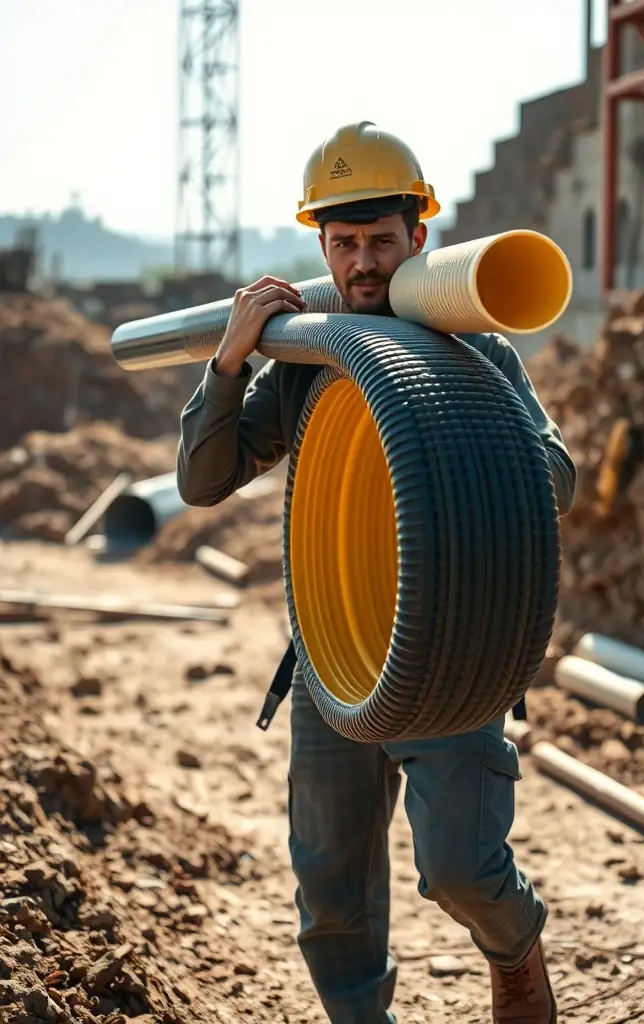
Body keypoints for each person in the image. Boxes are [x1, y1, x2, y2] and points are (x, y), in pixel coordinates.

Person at [177, 121, 576, 1024]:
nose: (362, 262)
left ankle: (517, 955)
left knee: (463, 870)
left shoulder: (478, 347)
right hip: (334, 645)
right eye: (344, 243)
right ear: (321, 245)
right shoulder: (306, 359)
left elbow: (557, 478)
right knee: (330, 890)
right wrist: (231, 361)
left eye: (381, 242)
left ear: (417, 240)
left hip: (452, 639)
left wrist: (453, 417)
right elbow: (202, 484)